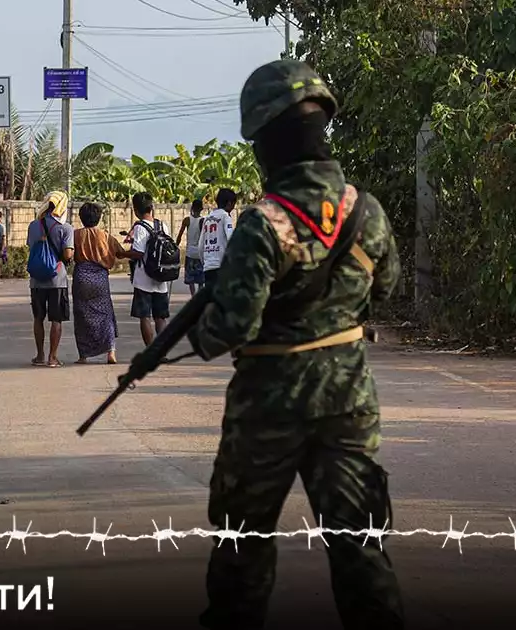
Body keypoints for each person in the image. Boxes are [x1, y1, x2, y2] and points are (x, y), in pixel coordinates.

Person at [186, 59, 404, 630]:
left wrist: (200, 334)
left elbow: (229, 328)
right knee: (361, 553)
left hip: (267, 408)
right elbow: (384, 289)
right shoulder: (366, 211)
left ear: (263, 142)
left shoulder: (263, 224)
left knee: (242, 556)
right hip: (348, 402)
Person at [70, 202, 128, 364]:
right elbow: (120, 253)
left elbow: (68, 253)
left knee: (81, 316)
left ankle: (83, 355)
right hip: (100, 279)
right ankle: (111, 352)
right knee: (106, 314)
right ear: (99, 218)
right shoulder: (106, 236)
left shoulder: (75, 235)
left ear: (81, 218)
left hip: (81, 277)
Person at [26, 190, 74, 367]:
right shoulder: (66, 228)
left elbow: (31, 246)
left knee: (38, 318)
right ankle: (52, 357)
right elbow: (67, 254)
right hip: (57, 280)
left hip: (36, 280)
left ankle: (39, 355)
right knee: (56, 319)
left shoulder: (33, 225)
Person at [126, 192, 171, 346]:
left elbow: (138, 253)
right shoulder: (163, 225)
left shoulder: (139, 227)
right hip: (161, 278)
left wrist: (123, 253)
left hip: (143, 280)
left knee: (145, 316)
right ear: (152, 207)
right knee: (160, 317)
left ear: (135, 210)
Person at [201, 188, 237, 288]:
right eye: (233, 204)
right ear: (229, 203)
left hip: (208, 267)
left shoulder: (207, 219)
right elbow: (231, 239)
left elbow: (200, 245)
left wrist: (205, 262)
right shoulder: (225, 217)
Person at [176, 198, 206, 296]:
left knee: (191, 279)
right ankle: (200, 297)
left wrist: (175, 246)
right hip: (200, 254)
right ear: (201, 209)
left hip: (190, 253)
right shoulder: (203, 221)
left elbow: (179, 236)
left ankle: (193, 296)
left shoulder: (187, 220)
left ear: (192, 207)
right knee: (201, 280)